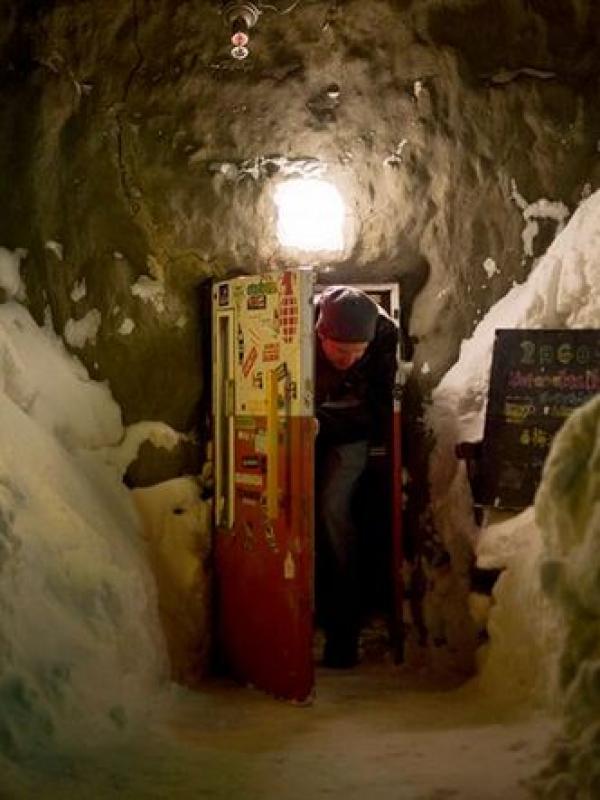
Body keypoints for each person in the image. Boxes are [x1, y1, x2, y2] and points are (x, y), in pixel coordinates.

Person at [314, 286, 398, 668]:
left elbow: (381, 404)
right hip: (298, 426)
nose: (347, 359)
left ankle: (342, 629)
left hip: (351, 431)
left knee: (333, 509)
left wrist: (329, 422)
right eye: (338, 351)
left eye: (355, 353)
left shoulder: (383, 337)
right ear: (319, 335)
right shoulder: (293, 324)